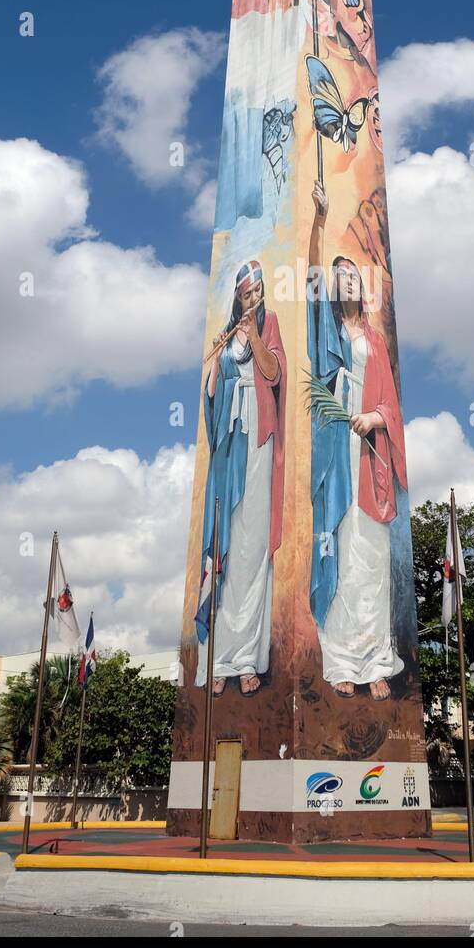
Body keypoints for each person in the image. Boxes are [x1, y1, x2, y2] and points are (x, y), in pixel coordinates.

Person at [307, 181, 407, 700]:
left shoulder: (372, 338)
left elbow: (391, 400)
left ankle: (375, 663)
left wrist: (374, 417)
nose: (344, 280)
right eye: (337, 275)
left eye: (352, 275)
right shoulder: (326, 329)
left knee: (370, 558)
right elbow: (308, 278)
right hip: (334, 452)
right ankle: (342, 662)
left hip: (369, 458)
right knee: (340, 554)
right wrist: (320, 222)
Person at [195, 260, 286, 696]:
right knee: (224, 548)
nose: (253, 300)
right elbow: (211, 400)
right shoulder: (230, 335)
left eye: (258, 293)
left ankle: (247, 659)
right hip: (230, 448)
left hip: (258, 443)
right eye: (246, 295)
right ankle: (218, 658)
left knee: (251, 551)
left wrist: (255, 339)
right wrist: (216, 362)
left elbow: (274, 374)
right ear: (237, 297)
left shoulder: (269, 327)